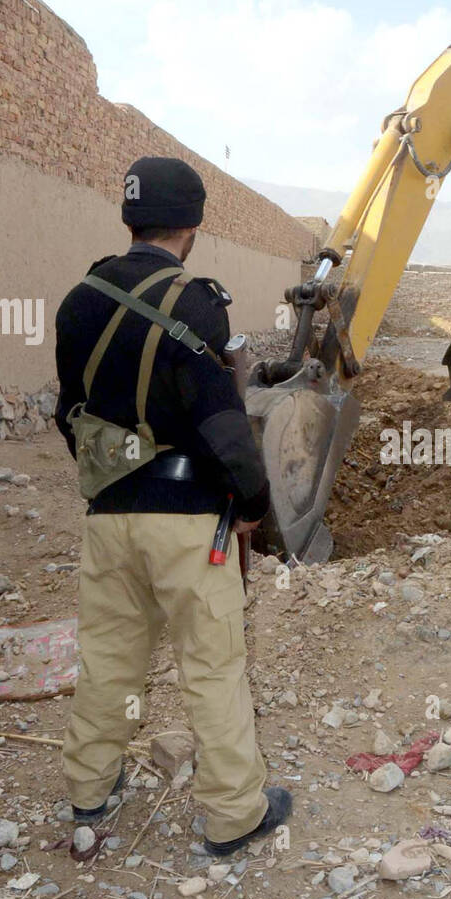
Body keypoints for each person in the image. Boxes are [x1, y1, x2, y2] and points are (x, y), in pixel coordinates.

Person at [54, 156, 291, 856]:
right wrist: (253, 503)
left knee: (106, 660)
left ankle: (89, 789)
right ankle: (232, 815)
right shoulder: (196, 303)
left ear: (129, 215)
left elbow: (70, 413)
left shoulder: (79, 300)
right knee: (212, 667)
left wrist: (110, 477)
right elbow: (223, 423)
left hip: (109, 516)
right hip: (189, 523)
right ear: (191, 224)